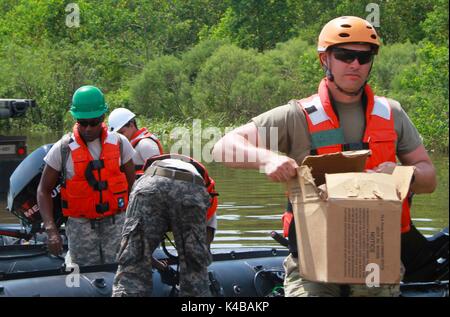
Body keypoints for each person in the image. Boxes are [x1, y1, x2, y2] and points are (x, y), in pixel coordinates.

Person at [212, 16, 437, 297]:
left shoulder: (392, 114)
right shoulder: (296, 115)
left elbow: (429, 178)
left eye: (364, 57)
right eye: (344, 55)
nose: (355, 64)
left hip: (376, 258)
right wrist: (267, 159)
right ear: (325, 59)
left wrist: (405, 174)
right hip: (312, 261)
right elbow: (223, 146)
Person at [37, 85, 136, 266]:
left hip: (115, 223)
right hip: (80, 226)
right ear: (76, 119)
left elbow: (134, 186)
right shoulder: (63, 149)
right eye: (83, 123)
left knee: (119, 273)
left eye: (94, 122)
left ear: (103, 118)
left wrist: (135, 223)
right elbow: (43, 190)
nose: (88, 128)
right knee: (85, 277)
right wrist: (51, 229)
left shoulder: (121, 144)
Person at [112, 154, 219, 297]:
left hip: (151, 182)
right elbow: (203, 244)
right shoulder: (208, 190)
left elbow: (135, 246)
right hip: (190, 186)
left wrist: (157, 265)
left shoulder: (148, 172)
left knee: (133, 262)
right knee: (195, 268)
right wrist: (192, 256)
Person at [108, 108, 163, 175]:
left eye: (122, 132)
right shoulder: (129, 142)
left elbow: (158, 172)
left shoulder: (145, 144)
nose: (120, 137)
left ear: (131, 125)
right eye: (117, 134)